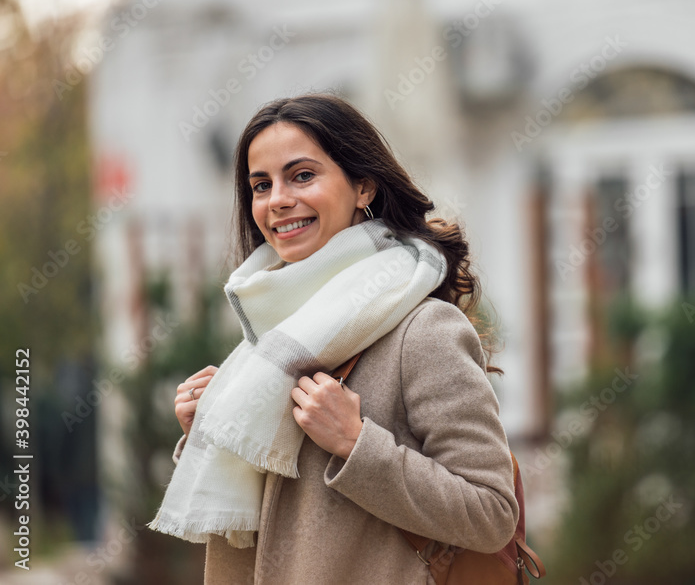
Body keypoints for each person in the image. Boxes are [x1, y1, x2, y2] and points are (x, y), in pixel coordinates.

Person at [149, 93, 518, 584]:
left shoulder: (424, 330)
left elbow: (491, 514)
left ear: (362, 186)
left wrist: (357, 444)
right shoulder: (269, 342)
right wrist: (212, 425)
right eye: (261, 185)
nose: (278, 199)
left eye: (302, 176)